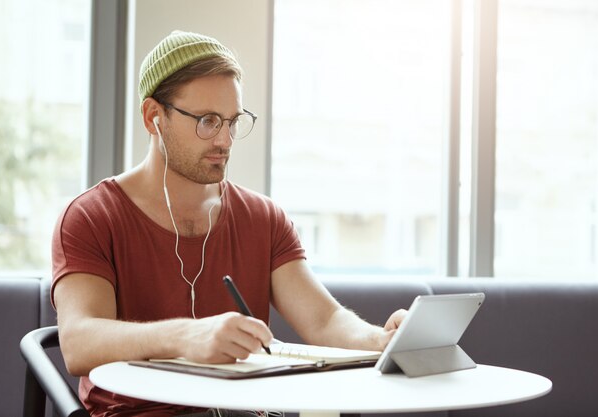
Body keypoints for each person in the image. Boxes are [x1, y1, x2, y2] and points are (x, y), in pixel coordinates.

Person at [51, 30, 406, 417]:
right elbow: (79, 342)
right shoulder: (90, 217)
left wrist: (382, 339)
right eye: (207, 121)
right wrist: (187, 336)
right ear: (154, 117)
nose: (225, 139)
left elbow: (324, 320)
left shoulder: (263, 218)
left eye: (232, 121)